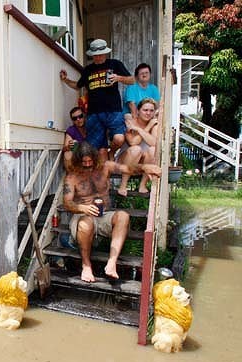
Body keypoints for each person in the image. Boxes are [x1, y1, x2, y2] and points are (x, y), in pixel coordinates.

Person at [63, 142, 161, 282]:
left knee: (123, 216)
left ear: (95, 159)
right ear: (78, 161)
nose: (88, 165)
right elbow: (67, 203)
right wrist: (82, 208)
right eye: (84, 162)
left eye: (90, 161)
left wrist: (145, 167)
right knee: (85, 224)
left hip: (104, 215)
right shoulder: (71, 177)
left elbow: (127, 168)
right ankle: (86, 265)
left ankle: (111, 262)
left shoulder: (105, 167)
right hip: (82, 215)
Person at [59, 39, 135, 162]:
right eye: (95, 55)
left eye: (100, 54)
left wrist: (118, 78)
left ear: (106, 53)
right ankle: (101, 177)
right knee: (97, 149)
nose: (98, 57)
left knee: (119, 139)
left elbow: (132, 80)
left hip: (113, 111)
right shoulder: (88, 70)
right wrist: (65, 80)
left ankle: (113, 152)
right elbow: (78, 86)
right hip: (94, 113)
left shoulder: (115, 64)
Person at [116, 98, 159, 196]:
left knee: (153, 150)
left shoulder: (154, 125)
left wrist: (139, 130)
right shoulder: (130, 122)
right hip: (125, 161)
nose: (148, 113)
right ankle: (123, 185)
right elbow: (132, 142)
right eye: (145, 110)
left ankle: (142, 185)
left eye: (151, 110)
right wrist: (146, 128)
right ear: (138, 111)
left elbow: (153, 143)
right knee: (136, 149)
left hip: (142, 164)